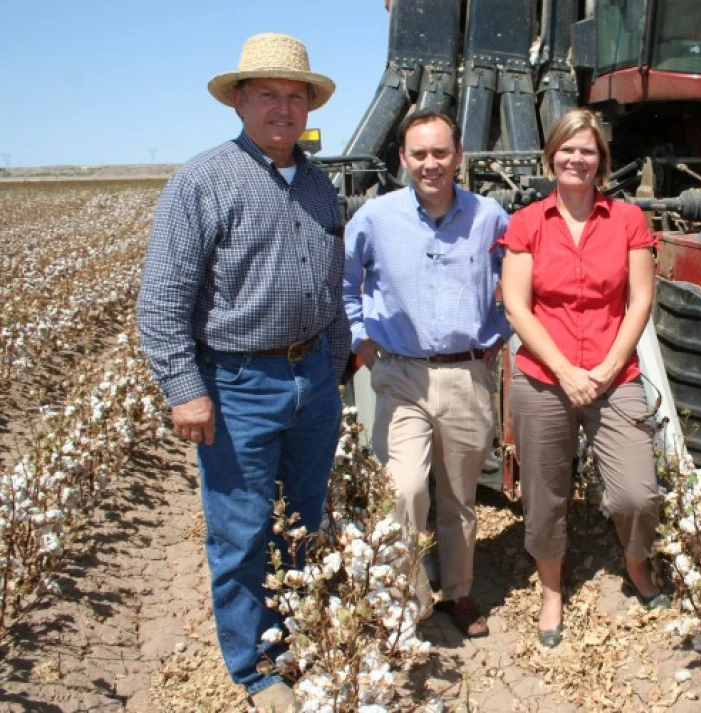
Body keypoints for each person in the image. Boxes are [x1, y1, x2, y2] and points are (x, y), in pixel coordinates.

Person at [136, 33, 348, 712]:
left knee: (303, 518)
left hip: (311, 378)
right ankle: (255, 666)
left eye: (295, 97)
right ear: (239, 101)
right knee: (240, 527)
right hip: (236, 384)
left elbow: (332, 286)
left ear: (307, 105)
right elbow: (163, 299)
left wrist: (334, 363)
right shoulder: (201, 182)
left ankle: (294, 633)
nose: (283, 109)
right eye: (268, 96)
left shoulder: (319, 184)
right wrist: (184, 387)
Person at [499, 108, 667, 649]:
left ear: (602, 161)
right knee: (544, 494)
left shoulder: (627, 220)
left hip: (614, 375)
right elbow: (517, 307)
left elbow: (640, 299)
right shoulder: (527, 222)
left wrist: (609, 366)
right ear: (551, 156)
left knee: (636, 494)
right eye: (567, 149)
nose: (577, 159)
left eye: (587, 151)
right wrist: (567, 371)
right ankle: (552, 587)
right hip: (543, 377)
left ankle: (636, 562)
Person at [342, 109, 509, 639]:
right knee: (405, 488)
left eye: (441, 153)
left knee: (459, 497)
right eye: (419, 154)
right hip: (401, 375)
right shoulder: (374, 217)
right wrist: (361, 342)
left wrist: (498, 336)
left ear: (458, 156)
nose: (430, 164)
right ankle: (410, 600)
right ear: (403, 159)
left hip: (466, 375)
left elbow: (518, 280)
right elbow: (343, 284)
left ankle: (458, 593)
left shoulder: (490, 217)